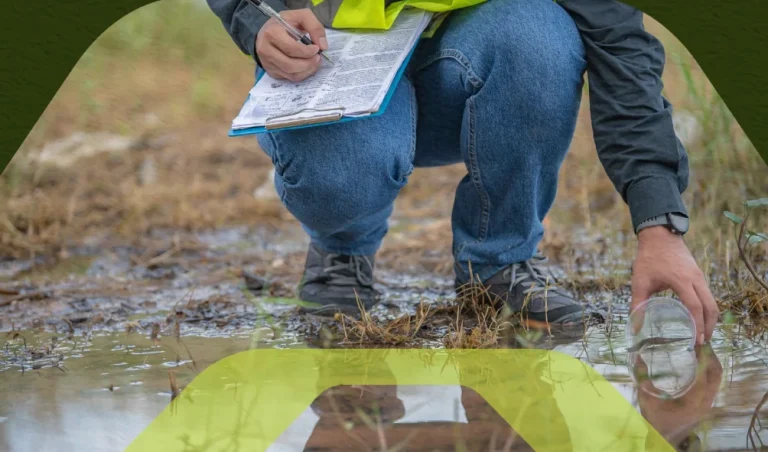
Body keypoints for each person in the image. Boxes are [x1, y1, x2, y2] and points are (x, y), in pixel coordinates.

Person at [206, 0, 719, 342]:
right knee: (340, 176)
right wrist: (256, 15)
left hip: (465, 63)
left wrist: (660, 228)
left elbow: (620, 46)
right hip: (328, 58)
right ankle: (341, 250)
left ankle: (498, 263)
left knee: (538, 36)